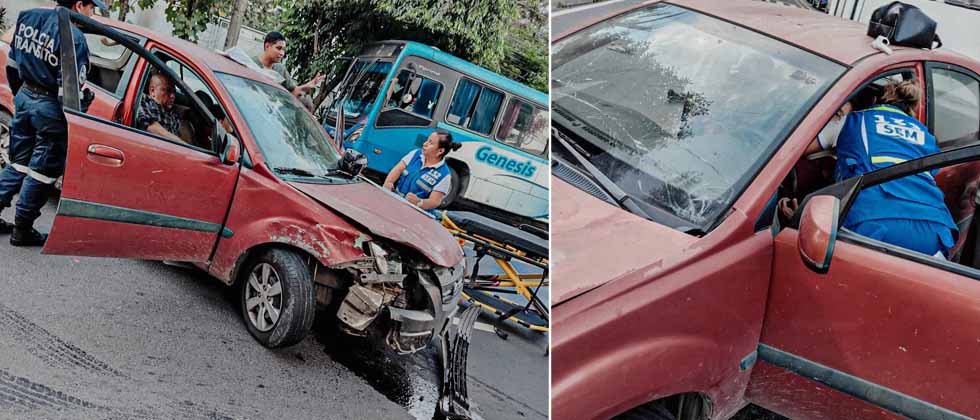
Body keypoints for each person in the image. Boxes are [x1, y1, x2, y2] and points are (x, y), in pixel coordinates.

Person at [787, 80, 957, 258]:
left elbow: (795, 148)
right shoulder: (925, 135)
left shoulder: (854, 120)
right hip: (934, 231)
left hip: (874, 221)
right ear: (910, 112)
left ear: (874, 100)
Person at [0, 0, 106, 246]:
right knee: (41, 172)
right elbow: (68, 94)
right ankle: (22, 230)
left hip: (25, 97)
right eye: (92, 8)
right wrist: (79, 109)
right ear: (79, 5)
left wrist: (24, 98)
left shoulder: (29, 17)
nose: (92, 14)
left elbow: (12, 65)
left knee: (18, 164)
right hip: (49, 108)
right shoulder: (74, 38)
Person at [383, 129, 461, 216]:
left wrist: (419, 202)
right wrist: (388, 183)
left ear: (440, 151)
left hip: (417, 214)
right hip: (397, 202)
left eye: (430, 143)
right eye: (427, 140)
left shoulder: (444, 175)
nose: (425, 144)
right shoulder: (415, 154)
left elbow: (435, 202)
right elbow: (398, 169)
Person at [252, 31, 324, 110]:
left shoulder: (280, 69)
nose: (282, 53)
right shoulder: (250, 64)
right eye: (279, 48)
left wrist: (307, 86)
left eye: (283, 49)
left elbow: (292, 93)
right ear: (267, 46)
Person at [135, 71, 186, 143]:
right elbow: (150, 126)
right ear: (152, 91)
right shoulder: (144, 101)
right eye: (168, 90)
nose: (172, 96)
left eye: (174, 92)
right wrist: (182, 145)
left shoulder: (173, 114)